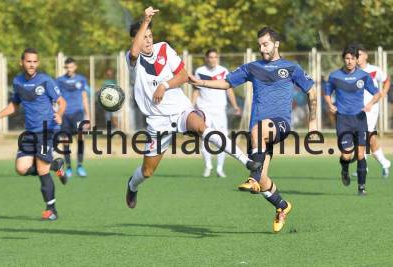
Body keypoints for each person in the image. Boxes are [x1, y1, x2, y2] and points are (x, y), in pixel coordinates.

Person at [125, 7, 259, 211]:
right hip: (157, 120)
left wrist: (165, 85)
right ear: (136, 39)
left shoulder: (164, 49)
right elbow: (134, 51)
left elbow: (183, 76)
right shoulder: (133, 59)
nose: (149, 40)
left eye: (151, 36)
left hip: (180, 110)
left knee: (200, 126)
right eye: (144, 37)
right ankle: (132, 185)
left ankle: (245, 160)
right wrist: (145, 20)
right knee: (147, 172)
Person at [189, 27, 317, 233]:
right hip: (257, 133)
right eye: (259, 45)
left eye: (265, 44)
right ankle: (282, 206)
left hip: (279, 123)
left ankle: (253, 177)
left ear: (276, 44)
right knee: (263, 181)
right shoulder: (252, 67)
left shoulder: (291, 68)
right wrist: (200, 82)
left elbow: (312, 91)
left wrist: (312, 122)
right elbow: (226, 83)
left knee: (259, 139)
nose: (262, 48)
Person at [0, 48, 67, 220]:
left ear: (38, 63)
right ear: (22, 62)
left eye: (35, 61)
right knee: (21, 168)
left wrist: (59, 114)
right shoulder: (18, 81)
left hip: (46, 129)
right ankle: (55, 165)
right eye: (28, 61)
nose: (32, 64)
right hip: (30, 132)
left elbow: (61, 102)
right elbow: (14, 105)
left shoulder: (45, 81)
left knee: (42, 169)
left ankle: (51, 210)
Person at [324, 45, 380, 195]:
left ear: (357, 59)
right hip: (343, 120)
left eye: (352, 58)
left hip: (360, 119)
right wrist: (330, 104)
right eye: (347, 58)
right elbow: (327, 92)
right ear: (344, 59)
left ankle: (362, 188)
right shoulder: (335, 76)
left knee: (361, 154)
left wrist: (370, 104)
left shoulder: (363, 76)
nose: (349, 61)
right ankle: (345, 169)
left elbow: (377, 94)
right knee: (346, 155)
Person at [192, 48, 241, 178]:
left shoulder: (223, 71)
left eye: (215, 57)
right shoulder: (199, 71)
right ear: (206, 58)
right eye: (210, 57)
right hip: (204, 109)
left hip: (219, 110)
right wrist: (191, 106)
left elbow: (229, 90)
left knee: (222, 138)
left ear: (217, 58)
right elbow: (196, 91)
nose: (213, 59)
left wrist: (235, 106)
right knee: (204, 138)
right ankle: (208, 166)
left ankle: (220, 168)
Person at [354, 44, 391, 178]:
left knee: (365, 135)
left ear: (365, 55)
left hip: (371, 107)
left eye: (359, 55)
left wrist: (383, 93)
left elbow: (387, 80)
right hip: (357, 108)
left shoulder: (374, 70)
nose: (356, 58)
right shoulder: (353, 71)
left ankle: (363, 166)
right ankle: (384, 163)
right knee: (369, 137)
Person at [56, 57, 90, 178]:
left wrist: (88, 116)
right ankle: (69, 167)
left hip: (78, 113)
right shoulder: (59, 81)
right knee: (65, 141)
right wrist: (57, 114)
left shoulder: (81, 80)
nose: (69, 70)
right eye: (67, 67)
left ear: (75, 67)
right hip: (64, 115)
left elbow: (85, 97)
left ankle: (80, 165)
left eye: (71, 67)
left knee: (80, 138)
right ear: (65, 68)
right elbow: (56, 99)